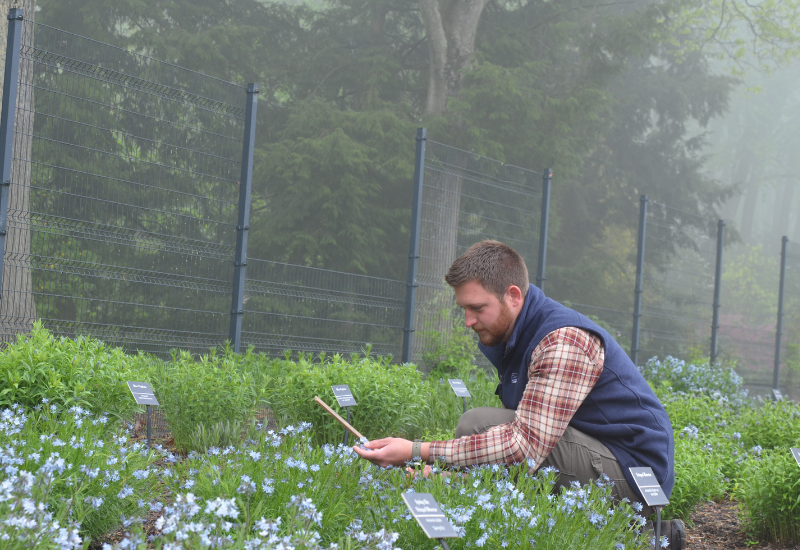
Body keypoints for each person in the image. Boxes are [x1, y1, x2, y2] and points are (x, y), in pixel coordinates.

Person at [353, 240, 683, 549]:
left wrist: (416, 451)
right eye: (464, 309)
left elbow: (521, 447)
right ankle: (627, 535)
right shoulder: (517, 331)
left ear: (513, 296)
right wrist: (443, 476)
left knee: (478, 424)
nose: (468, 321)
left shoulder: (562, 340)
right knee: (484, 433)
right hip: (594, 454)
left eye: (477, 308)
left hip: (633, 475)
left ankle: (635, 530)